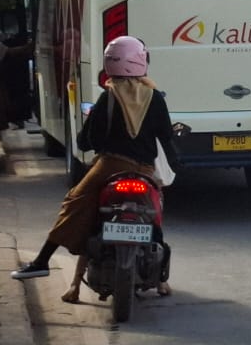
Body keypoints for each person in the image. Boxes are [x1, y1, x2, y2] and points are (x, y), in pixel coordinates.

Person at [11, 36, 178, 303]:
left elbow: (88, 140)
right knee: (154, 209)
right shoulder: (155, 97)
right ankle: (161, 278)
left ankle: (42, 261)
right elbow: (166, 137)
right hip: (145, 170)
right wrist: (177, 165)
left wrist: (91, 141)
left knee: (75, 204)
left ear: (109, 63)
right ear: (141, 61)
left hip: (109, 165)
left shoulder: (108, 98)